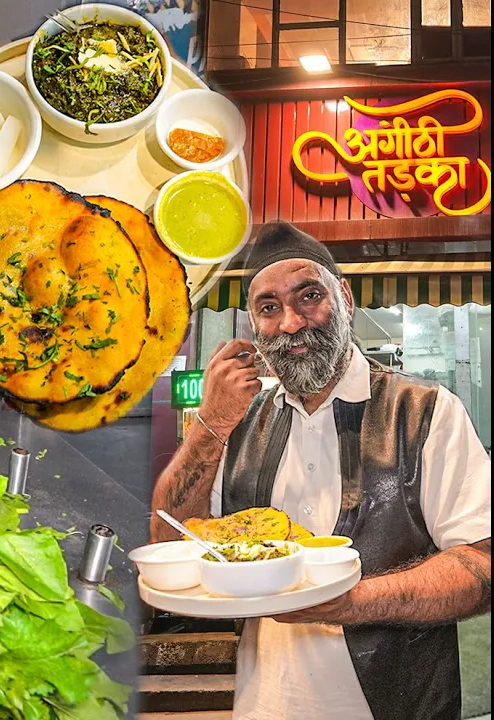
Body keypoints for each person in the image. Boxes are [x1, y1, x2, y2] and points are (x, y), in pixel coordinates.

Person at [150, 223, 491, 720]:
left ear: (345, 298)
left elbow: (481, 566)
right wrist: (210, 424)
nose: (290, 322)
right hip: (264, 705)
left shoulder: (425, 411)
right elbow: (168, 542)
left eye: (309, 296)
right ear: (253, 325)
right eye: (269, 307)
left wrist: (350, 603)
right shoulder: (238, 423)